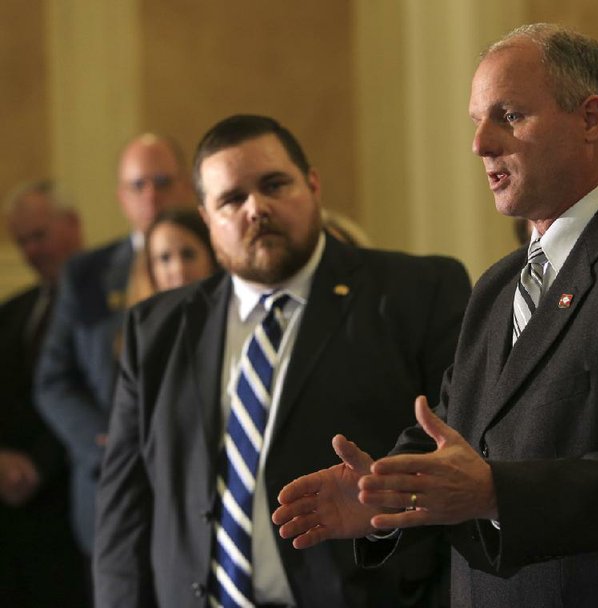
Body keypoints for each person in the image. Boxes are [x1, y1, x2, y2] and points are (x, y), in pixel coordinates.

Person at [273, 23, 598, 608]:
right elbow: (456, 430)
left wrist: (496, 493)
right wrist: (388, 492)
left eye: (509, 116)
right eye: (477, 121)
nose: (480, 144)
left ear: (590, 119)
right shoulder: (498, 284)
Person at [93, 114, 471, 608]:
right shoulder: (157, 329)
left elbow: (459, 463)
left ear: (313, 185)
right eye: (232, 199)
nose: (257, 209)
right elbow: (125, 508)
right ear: (206, 217)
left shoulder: (416, 293)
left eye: (274, 185)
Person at [35, 133, 193, 561]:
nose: (151, 195)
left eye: (162, 181)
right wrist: (103, 443)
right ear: (121, 197)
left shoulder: (210, 258)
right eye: (137, 185)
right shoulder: (87, 274)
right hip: (107, 489)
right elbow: (53, 379)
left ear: (187, 186)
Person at [0, 180, 88, 606]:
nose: (31, 251)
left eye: (39, 236)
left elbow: (97, 400)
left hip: (75, 517)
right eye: (22, 241)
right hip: (11, 527)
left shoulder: (109, 307)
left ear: (71, 225)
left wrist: (37, 465)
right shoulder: (11, 312)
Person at [125, 207, 220, 305]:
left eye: (188, 255)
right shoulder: (136, 318)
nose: (178, 269)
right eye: (165, 258)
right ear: (149, 269)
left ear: (212, 258)